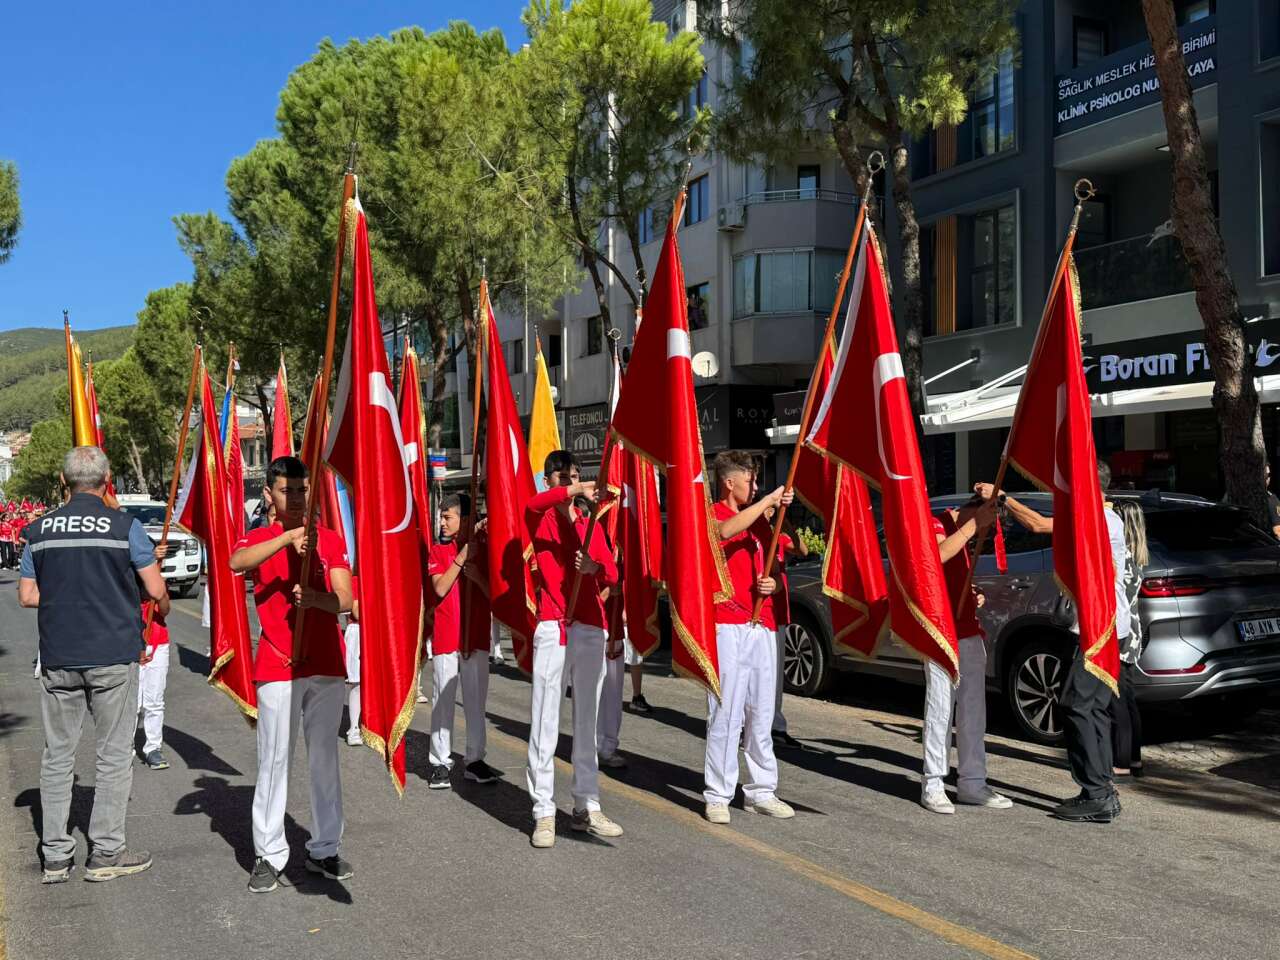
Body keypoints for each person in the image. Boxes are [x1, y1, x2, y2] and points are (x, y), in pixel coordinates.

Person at [18, 446, 163, 883]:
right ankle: (105, 854)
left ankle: (56, 857)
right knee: (113, 755)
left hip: (59, 655)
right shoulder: (125, 527)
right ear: (107, 481)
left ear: (63, 482)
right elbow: (155, 589)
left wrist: (68, 599)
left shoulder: (37, 531)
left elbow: (27, 595)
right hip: (113, 655)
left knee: (57, 755)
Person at [976, 457, 1129, 823]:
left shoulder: (1098, 519)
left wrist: (1003, 498)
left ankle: (1097, 793)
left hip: (1100, 628)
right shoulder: (1106, 518)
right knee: (1089, 708)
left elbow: (1038, 524)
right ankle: (1100, 787)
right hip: (1103, 626)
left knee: (1077, 704)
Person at [230, 455, 354, 893]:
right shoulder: (263, 535)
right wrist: (287, 540)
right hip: (278, 662)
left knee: (324, 757)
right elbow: (236, 561)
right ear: (270, 494)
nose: (298, 498)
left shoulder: (332, 540)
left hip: (324, 662)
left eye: (303, 491)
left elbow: (347, 599)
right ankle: (268, 853)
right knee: (274, 759)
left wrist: (316, 600)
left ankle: (325, 847)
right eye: (288, 491)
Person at [525, 451, 621, 849]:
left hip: (590, 624)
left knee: (587, 718)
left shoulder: (590, 522)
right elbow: (531, 504)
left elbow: (615, 574)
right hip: (553, 621)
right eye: (564, 476)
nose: (574, 481)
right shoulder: (543, 516)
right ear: (550, 480)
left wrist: (594, 569)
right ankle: (543, 810)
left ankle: (586, 803)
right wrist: (576, 489)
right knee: (546, 718)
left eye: (577, 475)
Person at [705, 451, 795, 824]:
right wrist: (767, 501)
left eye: (757, 481)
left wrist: (772, 581)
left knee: (761, 711)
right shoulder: (714, 514)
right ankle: (718, 793)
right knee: (726, 712)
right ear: (729, 482)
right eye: (749, 480)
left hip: (762, 623)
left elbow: (773, 564)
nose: (755, 486)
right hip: (727, 623)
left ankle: (761, 790)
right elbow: (724, 533)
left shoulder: (759, 525)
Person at [919, 495, 1013, 814]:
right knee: (940, 707)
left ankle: (973, 781)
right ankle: (933, 782)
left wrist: (972, 591)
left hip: (968, 629)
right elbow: (936, 556)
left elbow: (955, 570)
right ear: (973, 508)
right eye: (985, 520)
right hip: (940, 630)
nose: (985, 532)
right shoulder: (937, 522)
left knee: (974, 709)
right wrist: (975, 526)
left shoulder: (967, 528)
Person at [425, 494, 502, 789]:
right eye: (442, 517)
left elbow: (494, 593)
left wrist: (477, 573)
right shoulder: (437, 551)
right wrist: (460, 560)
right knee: (443, 701)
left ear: (466, 519)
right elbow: (440, 587)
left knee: (475, 700)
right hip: (447, 636)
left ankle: (475, 759)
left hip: (476, 635)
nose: (442, 522)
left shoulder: (484, 551)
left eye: (449, 517)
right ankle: (440, 762)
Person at [1110, 499, 1147, 779]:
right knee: (1129, 697)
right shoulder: (1140, 555)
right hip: (1135, 629)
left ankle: (1121, 759)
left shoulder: (1121, 555)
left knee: (1118, 698)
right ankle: (1134, 757)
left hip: (1122, 629)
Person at [767, 508, 807, 751]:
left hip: (779, 613)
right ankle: (745, 727)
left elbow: (802, 550)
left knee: (776, 677)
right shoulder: (753, 535)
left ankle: (776, 726)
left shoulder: (778, 536)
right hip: (761, 615)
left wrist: (787, 523)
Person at [136, 542, 174, 771]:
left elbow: (166, 610)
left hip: (158, 643)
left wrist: (159, 592)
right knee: (132, 703)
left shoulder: (158, 578)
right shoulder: (125, 577)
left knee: (154, 701)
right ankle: (123, 747)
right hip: (130, 645)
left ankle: (152, 748)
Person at [343, 575, 363, 747]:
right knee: (357, 684)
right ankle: (354, 727)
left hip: (376, 631)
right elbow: (356, 611)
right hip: (358, 631)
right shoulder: (356, 580)